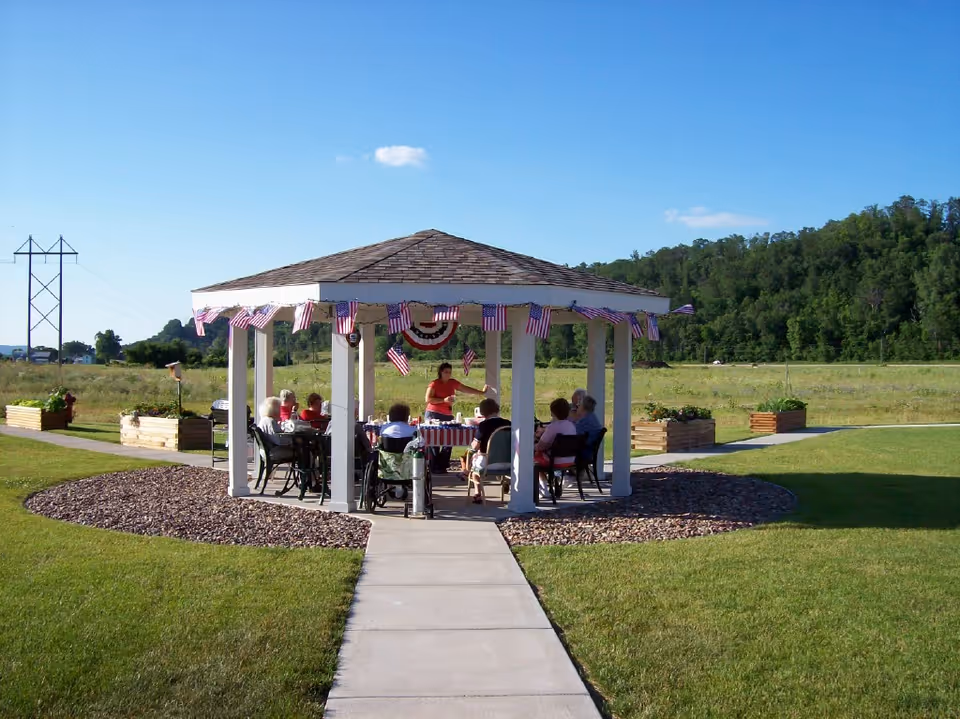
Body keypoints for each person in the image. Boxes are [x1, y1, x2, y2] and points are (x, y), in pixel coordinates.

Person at [424, 362, 489, 473]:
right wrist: (443, 400)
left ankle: (442, 466)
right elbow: (428, 399)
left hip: (448, 415)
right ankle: (433, 466)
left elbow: (465, 389)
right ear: (440, 372)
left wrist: (481, 392)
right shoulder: (434, 384)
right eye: (446, 372)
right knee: (434, 441)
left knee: (448, 441)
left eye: (449, 372)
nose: (448, 374)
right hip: (433, 413)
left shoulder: (452, 383)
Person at [465, 398, 511, 503]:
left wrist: (471, 448)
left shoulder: (483, 426)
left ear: (482, 412)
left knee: (474, 470)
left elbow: (475, 447)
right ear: (497, 409)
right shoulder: (508, 423)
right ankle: (506, 480)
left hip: (489, 463)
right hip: (509, 462)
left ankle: (478, 494)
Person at [534, 398, 578, 498]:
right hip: (571, 460)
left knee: (534, 460)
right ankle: (554, 482)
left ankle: (544, 488)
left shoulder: (552, 427)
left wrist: (533, 445)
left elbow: (541, 446)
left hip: (555, 461)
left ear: (552, 412)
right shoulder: (571, 426)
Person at [256, 397, 294, 462]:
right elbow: (279, 441)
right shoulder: (271, 422)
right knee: (302, 451)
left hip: (266, 451)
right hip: (273, 453)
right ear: (275, 410)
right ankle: (305, 471)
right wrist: (291, 440)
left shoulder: (264, 420)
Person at [574, 395, 603, 463]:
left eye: (579, 405)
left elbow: (574, 436)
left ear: (583, 408)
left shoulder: (584, 421)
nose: (577, 407)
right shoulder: (592, 417)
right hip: (588, 452)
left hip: (582, 454)